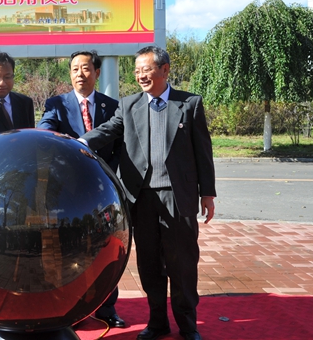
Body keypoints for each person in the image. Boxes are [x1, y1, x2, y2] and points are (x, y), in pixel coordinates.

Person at [80, 46, 216, 340]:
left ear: (165, 70)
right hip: (140, 199)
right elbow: (108, 130)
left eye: (146, 69)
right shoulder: (129, 105)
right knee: (149, 264)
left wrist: (207, 193)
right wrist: (80, 142)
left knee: (182, 264)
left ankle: (188, 326)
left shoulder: (189, 104)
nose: (140, 75)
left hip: (177, 197)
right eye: (137, 71)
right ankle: (157, 323)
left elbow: (203, 152)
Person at [37, 50, 125, 328]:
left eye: (85, 68)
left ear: (97, 73)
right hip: (67, 191)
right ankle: (71, 308)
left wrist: (105, 175)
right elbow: (45, 130)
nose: (80, 74)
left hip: (100, 188)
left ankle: (107, 308)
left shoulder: (113, 106)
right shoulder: (56, 104)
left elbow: (119, 147)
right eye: (75, 69)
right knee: (70, 250)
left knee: (105, 247)